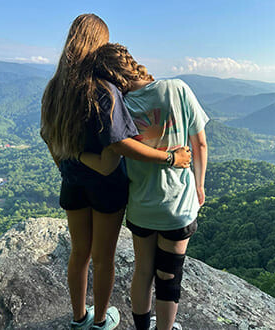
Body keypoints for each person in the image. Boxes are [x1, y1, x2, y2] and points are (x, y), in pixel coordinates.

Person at [40, 14, 191, 330]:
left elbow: (47, 134)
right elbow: (120, 143)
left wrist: (69, 162)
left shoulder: (54, 87)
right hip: (106, 185)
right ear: (97, 43)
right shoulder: (103, 89)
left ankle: (78, 317)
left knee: (79, 252)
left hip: (72, 181)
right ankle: (99, 321)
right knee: (103, 258)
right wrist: (169, 158)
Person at [80, 43, 209, 330]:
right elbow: (199, 144)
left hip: (141, 207)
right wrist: (199, 187)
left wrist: (73, 153)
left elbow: (108, 164)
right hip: (179, 206)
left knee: (143, 272)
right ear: (131, 63)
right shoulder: (178, 88)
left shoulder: (118, 109)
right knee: (170, 274)